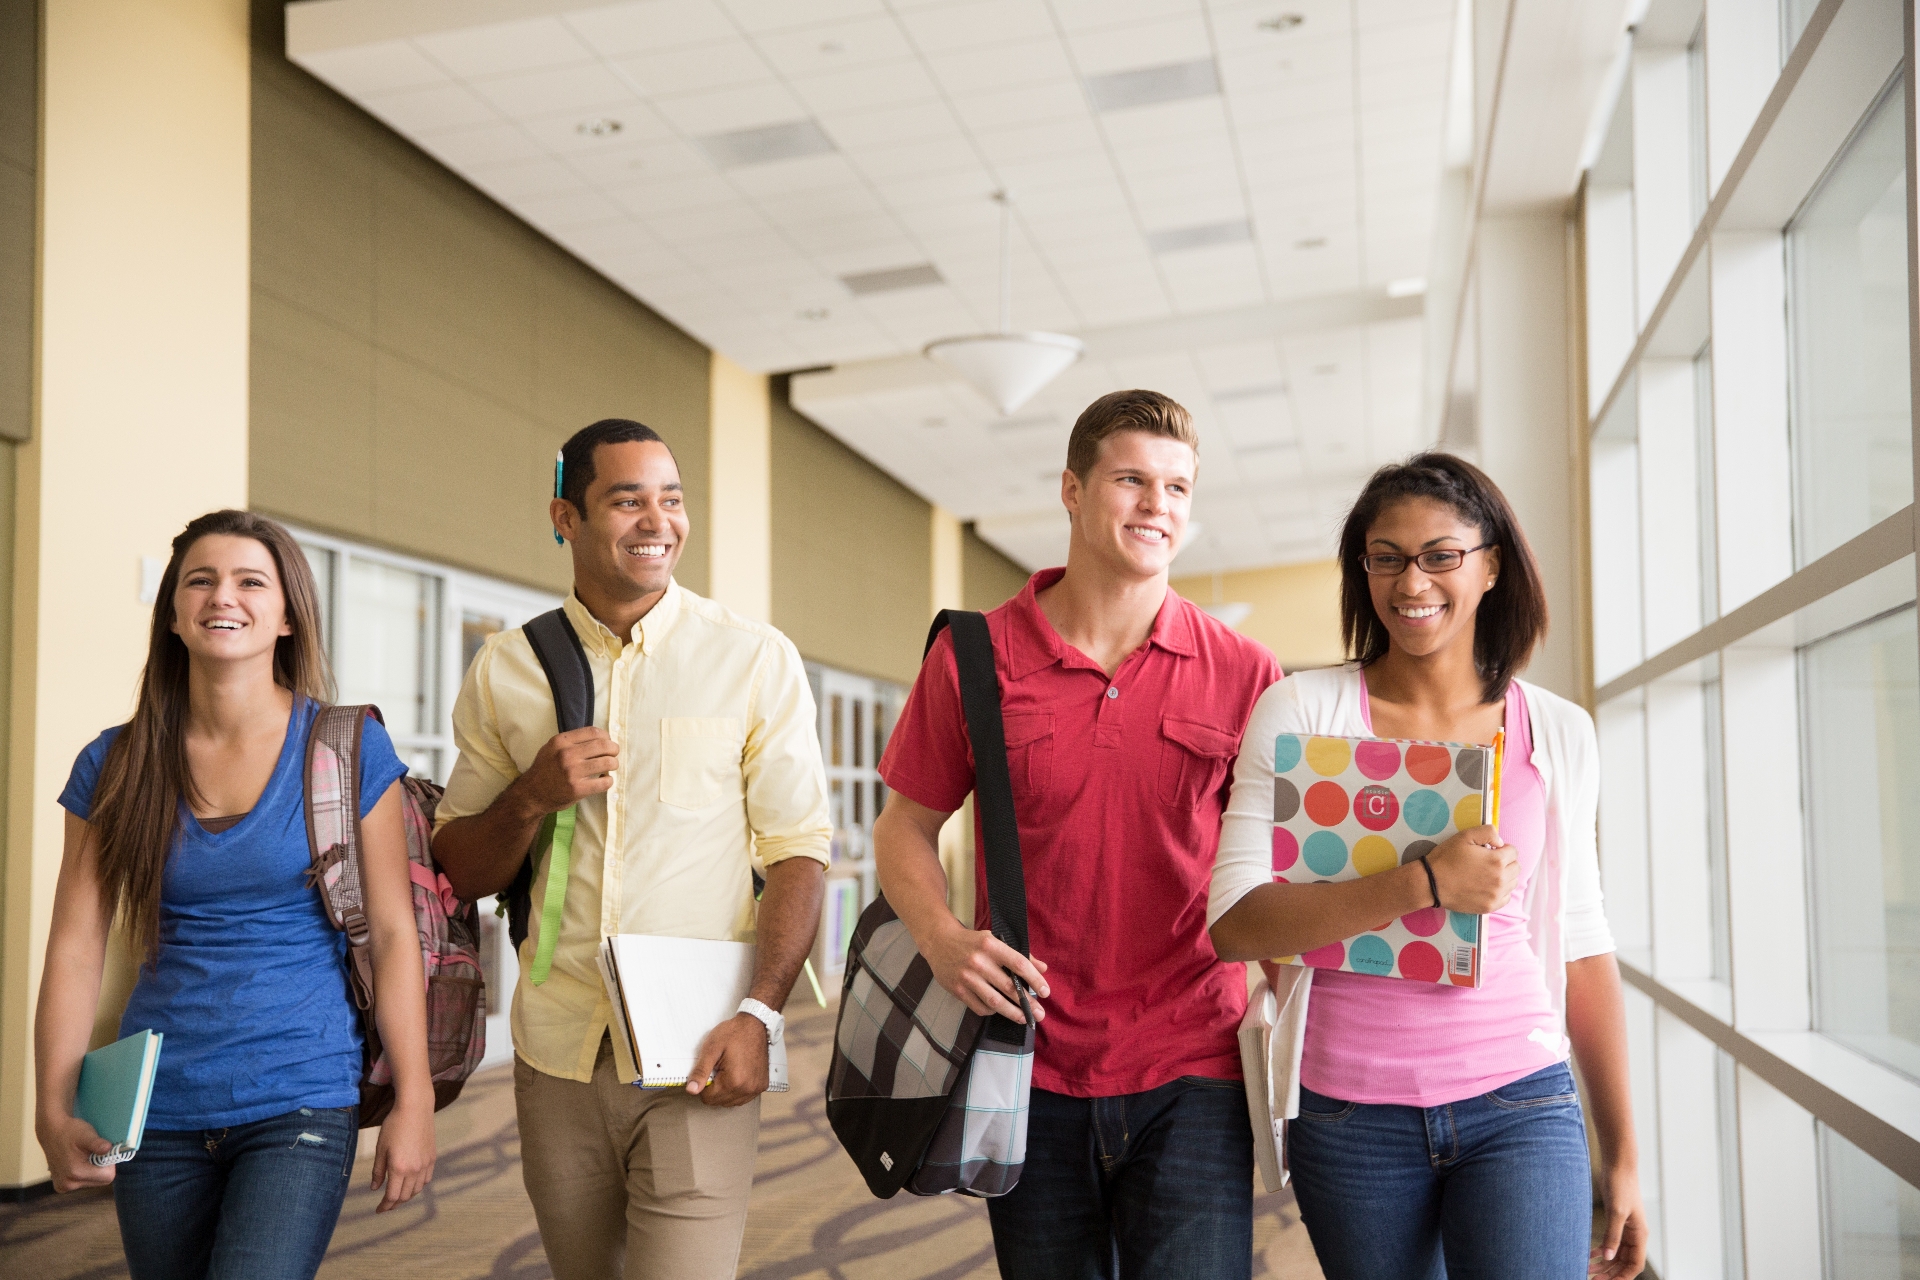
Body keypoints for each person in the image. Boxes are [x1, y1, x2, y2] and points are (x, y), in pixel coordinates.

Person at [873, 389, 1282, 1279]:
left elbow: (1278, 871)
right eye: (1132, 480)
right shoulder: (975, 657)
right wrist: (942, 939)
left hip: (1196, 1064)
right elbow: (904, 825)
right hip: (1028, 1060)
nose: (1157, 507)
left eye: (1177, 488)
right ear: (1071, 488)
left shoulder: (1246, 673)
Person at [1208, 453, 1647, 1280]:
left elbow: (1582, 939)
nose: (1413, 581)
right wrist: (1423, 884)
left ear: (1491, 567)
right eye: (1386, 557)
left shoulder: (1556, 731)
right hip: (1348, 1116)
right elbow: (1237, 923)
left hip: (1520, 1097)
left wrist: (1622, 1151)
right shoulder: (1303, 712)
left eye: (1441, 554)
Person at [431, 417, 829, 1280]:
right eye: (627, 500)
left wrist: (761, 1013)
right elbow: (460, 868)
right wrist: (532, 796)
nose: (658, 521)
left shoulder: (753, 658)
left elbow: (800, 852)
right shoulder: (507, 667)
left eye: (672, 499)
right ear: (565, 518)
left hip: (700, 1049)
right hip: (557, 1052)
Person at [34, 509, 436, 1280]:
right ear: (175, 613)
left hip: (301, 1091)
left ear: (287, 616)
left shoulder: (345, 748)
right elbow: (76, 946)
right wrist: (54, 1106)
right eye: (202, 580)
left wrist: (412, 1098)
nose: (226, 596)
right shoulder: (113, 764)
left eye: (252, 581)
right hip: (157, 1102)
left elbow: (391, 933)